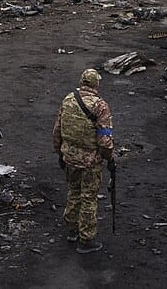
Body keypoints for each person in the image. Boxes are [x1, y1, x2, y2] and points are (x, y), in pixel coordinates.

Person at [53, 68, 114, 254]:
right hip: (90, 161)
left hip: (70, 157)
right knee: (89, 198)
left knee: (73, 191)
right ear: (97, 84)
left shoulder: (68, 99)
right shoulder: (101, 106)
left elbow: (57, 129)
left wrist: (59, 153)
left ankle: (71, 229)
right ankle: (85, 239)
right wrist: (109, 158)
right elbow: (104, 140)